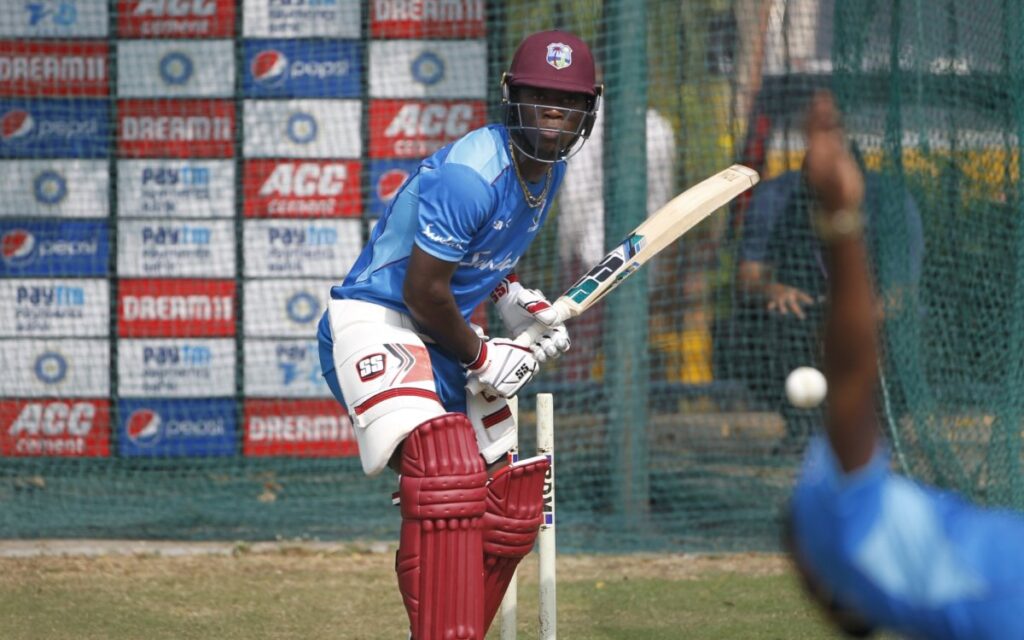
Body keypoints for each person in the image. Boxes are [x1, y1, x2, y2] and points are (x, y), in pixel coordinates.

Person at [316, 31, 600, 640]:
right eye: (541, 95)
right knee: (445, 469)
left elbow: (481, 259)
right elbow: (423, 291)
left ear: (589, 109)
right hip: (379, 318)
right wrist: (484, 356)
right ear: (511, 96)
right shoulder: (472, 174)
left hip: (441, 336)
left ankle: (451, 631)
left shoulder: (549, 171)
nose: (554, 110)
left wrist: (514, 301)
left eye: (569, 100)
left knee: (507, 504)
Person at [788, 91, 1024, 639]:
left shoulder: (851, 554)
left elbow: (850, 377)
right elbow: (852, 372)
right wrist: (840, 218)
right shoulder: (842, 537)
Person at [734, 114, 923, 454]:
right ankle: (802, 427)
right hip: (805, 308)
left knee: (906, 326)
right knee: (756, 323)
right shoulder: (776, 198)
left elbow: (903, 291)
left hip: (871, 312)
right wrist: (771, 289)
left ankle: (881, 425)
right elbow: (749, 276)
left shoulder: (893, 203)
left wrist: (856, 320)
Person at [557, 96, 676, 380]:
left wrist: (565, 252)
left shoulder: (589, 125)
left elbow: (575, 197)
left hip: (590, 255)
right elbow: (663, 199)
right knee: (628, 345)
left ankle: (575, 401)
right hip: (640, 256)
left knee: (579, 348)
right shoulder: (659, 126)